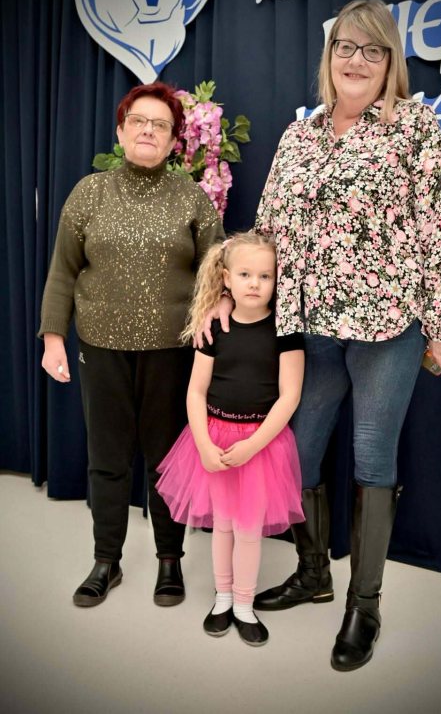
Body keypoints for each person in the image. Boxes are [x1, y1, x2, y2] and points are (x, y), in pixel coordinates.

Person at [200, 0, 441, 670]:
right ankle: (314, 573)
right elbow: (266, 231)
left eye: (372, 49)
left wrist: (440, 324)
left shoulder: (414, 127)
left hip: (387, 327)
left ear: (389, 61)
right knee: (299, 450)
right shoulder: (300, 136)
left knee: (373, 457)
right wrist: (226, 293)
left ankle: (363, 606)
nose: (356, 59)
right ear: (329, 57)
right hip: (307, 328)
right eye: (345, 46)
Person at [39, 82, 225, 608]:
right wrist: (53, 336)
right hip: (100, 347)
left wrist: (218, 314)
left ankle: (170, 561)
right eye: (138, 121)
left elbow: (216, 269)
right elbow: (63, 271)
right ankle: (107, 561)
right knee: (107, 458)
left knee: (166, 461)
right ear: (120, 132)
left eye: (160, 125)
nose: (148, 131)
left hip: (172, 351)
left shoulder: (192, 198)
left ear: (174, 141)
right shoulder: (89, 193)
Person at [155, 233, 305, 646]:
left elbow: (290, 396)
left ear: (276, 281)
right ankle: (222, 598)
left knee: (249, 529)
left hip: (262, 445)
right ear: (226, 278)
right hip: (215, 438)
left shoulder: (286, 331)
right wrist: (204, 445)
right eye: (245, 274)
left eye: (265, 276)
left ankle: (243, 603)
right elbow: (196, 391)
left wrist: (253, 446)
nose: (255, 283)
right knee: (222, 526)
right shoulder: (214, 328)